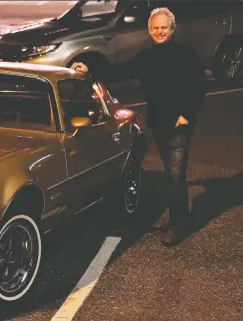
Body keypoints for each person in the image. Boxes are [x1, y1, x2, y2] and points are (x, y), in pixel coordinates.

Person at [71, 7, 208, 246]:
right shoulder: (147, 56)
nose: (159, 32)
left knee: (175, 176)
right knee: (154, 171)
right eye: (155, 28)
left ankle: (178, 226)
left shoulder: (185, 53)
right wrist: (89, 70)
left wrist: (186, 114)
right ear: (149, 30)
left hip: (178, 124)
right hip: (156, 121)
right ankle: (164, 218)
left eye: (164, 27)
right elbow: (119, 70)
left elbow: (199, 84)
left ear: (172, 29)